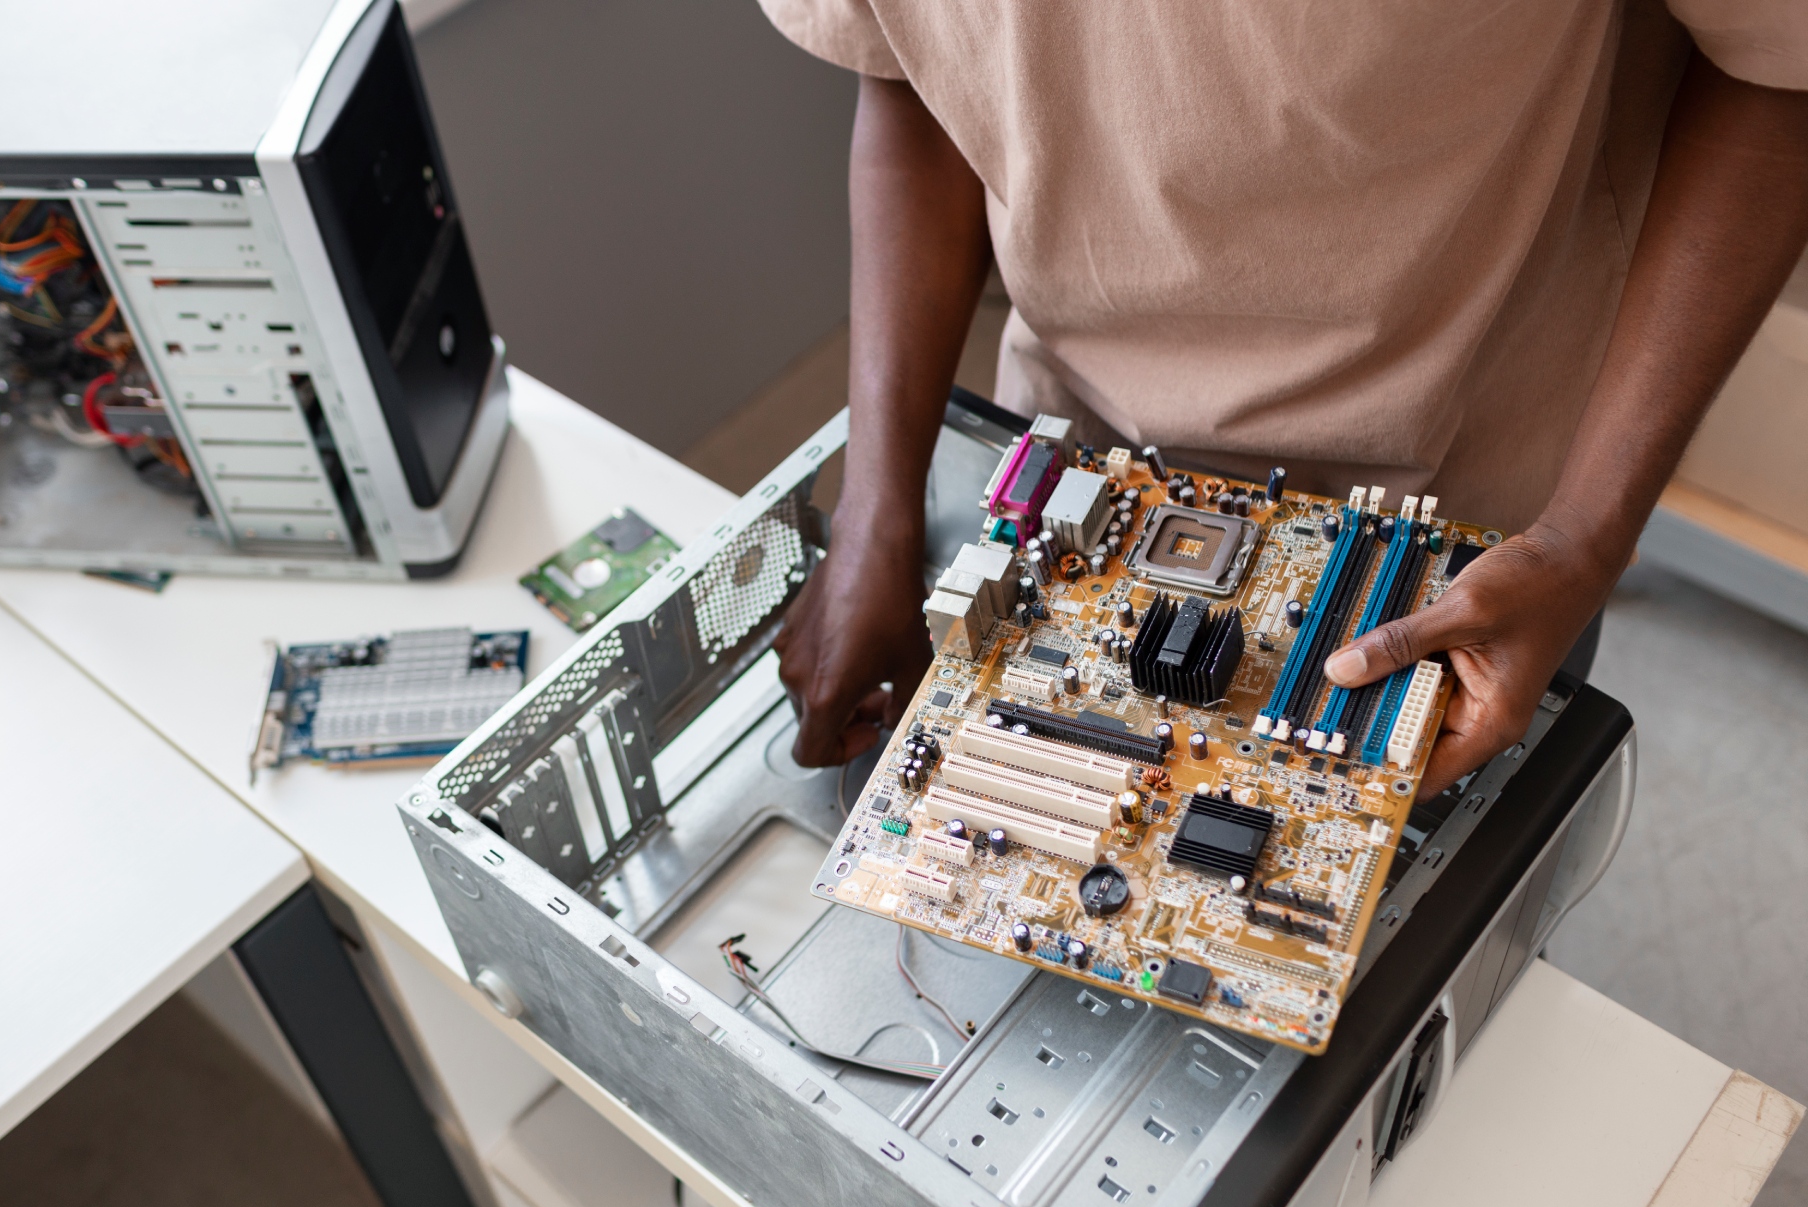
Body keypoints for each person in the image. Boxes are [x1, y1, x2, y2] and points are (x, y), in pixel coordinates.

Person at [760, 0, 1808, 792]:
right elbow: (912, 70)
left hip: (1465, 535)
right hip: (1071, 462)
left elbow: (1776, 67)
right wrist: (876, 515)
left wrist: (1586, 533)